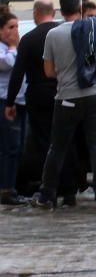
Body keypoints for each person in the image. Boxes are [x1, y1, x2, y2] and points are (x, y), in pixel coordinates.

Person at [30, 0, 96, 213]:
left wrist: (66, 71)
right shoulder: (92, 31)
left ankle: (47, 196)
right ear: (80, 9)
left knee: (57, 148)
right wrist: (95, 69)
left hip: (67, 98)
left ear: (61, 11)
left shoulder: (53, 35)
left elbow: (49, 71)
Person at [5, 0, 77, 207]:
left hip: (38, 98)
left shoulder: (29, 39)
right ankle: (70, 190)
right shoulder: (66, 34)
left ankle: (50, 190)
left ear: (36, 13)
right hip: (66, 92)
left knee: (47, 144)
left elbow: (18, 74)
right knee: (67, 141)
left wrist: (10, 102)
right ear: (53, 12)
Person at [0, 12, 27, 205]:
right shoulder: (6, 50)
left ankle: (12, 187)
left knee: (18, 148)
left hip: (20, 101)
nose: (15, 31)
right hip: (5, 102)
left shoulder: (15, 48)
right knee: (9, 147)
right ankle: (6, 189)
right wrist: (12, 48)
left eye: (17, 26)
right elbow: (7, 63)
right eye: (10, 27)